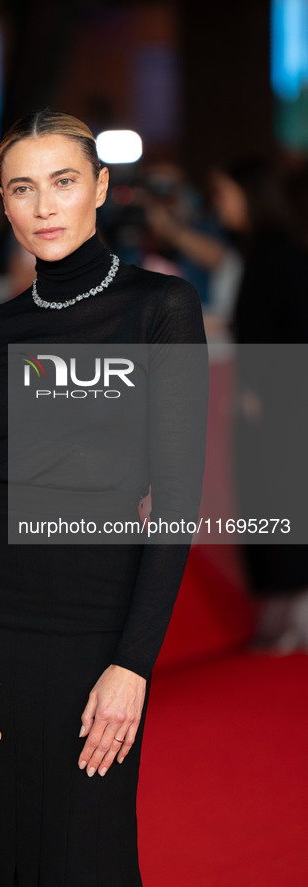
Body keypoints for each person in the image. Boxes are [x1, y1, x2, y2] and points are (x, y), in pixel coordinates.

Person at [0, 109, 208, 885]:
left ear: (101, 188)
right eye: (22, 189)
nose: (43, 207)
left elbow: (176, 500)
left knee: (86, 848)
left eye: (63, 182)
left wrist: (133, 663)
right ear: (2, 205)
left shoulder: (160, 309)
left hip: (91, 621)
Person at [211, 157, 308, 651]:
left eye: (226, 193)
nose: (220, 204)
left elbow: (278, 333)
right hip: (281, 404)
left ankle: (292, 618)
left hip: (278, 408)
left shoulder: (272, 256)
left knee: (279, 502)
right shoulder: (272, 252)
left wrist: (257, 393)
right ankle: (285, 614)